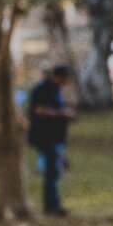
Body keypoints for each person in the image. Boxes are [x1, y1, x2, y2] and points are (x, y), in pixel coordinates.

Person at [26, 65, 75, 216]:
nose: (66, 82)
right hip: (45, 137)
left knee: (54, 171)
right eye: (65, 78)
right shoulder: (43, 89)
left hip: (54, 137)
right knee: (51, 172)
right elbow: (38, 110)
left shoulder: (54, 89)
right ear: (59, 76)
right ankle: (51, 207)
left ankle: (54, 205)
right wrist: (61, 113)